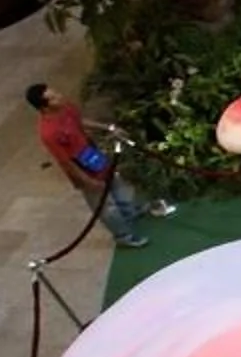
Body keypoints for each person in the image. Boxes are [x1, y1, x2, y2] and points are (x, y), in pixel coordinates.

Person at [24, 84, 167, 245]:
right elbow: (65, 162)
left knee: (117, 185)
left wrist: (108, 128)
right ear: (44, 107)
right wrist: (87, 181)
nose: (60, 96)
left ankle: (129, 213)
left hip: (94, 155)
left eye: (56, 92)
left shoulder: (66, 107)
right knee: (106, 206)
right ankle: (124, 236)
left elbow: (80, 121)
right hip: (83, 168)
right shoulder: (48, 132)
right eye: (54, 97)